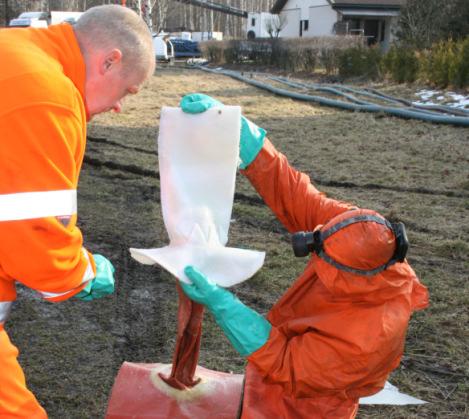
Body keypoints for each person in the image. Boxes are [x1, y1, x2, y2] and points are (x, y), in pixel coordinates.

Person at [178, 94, 430, 418]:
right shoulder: (362, 235)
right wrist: (244, 135)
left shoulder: (366, 339)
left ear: (348, 276)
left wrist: (222, 304)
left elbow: (284, 359)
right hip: (289, 368)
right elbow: (297, 196)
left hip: (310, 404)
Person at [0, 5, 155, 417]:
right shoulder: (47, 95)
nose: (120, 106)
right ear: (110, 61)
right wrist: (80, 271)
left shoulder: (16, 51)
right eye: (127, 90)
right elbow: (32, 229)